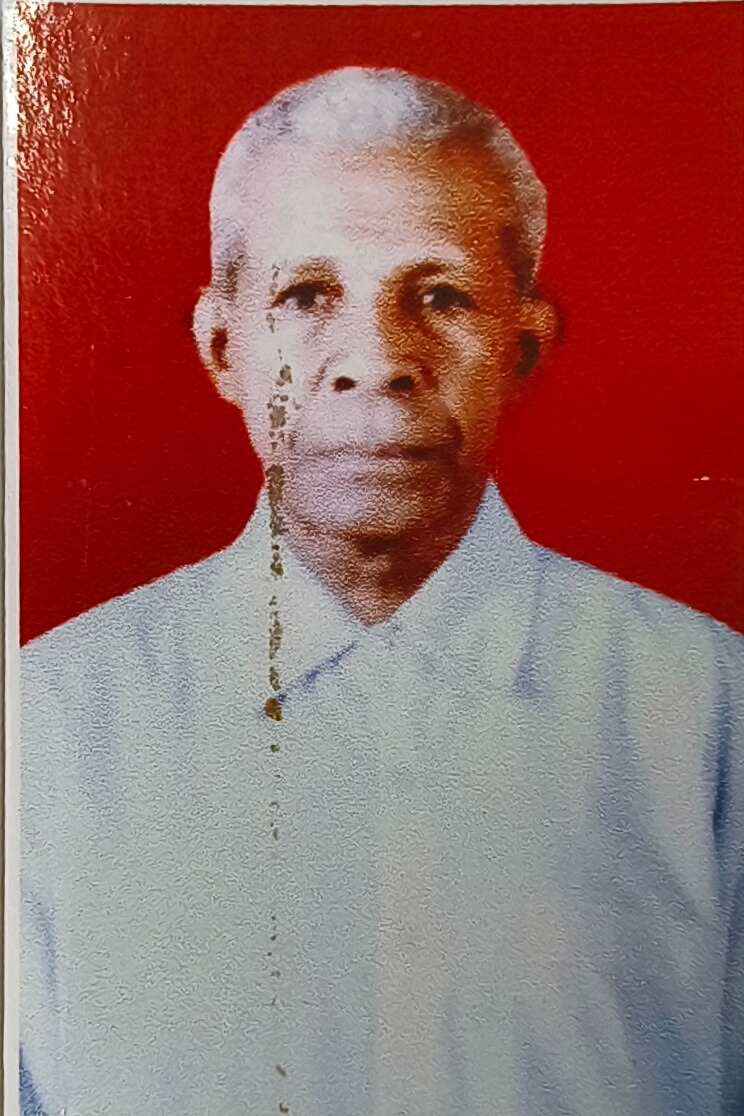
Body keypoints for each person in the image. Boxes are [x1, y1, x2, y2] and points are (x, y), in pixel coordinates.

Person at [20, 67, 743, 1116]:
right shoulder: (47, 723)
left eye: (440, 296)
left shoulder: (710, 710)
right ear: (222, 347)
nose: (376, 360)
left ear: (522, 347)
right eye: (307, 297)